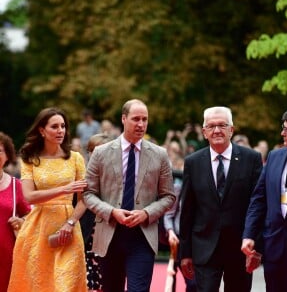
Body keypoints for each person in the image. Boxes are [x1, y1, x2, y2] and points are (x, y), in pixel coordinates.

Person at [83, 99, 176, 292]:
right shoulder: (101, 153)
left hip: (143, 236)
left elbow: (168, 196)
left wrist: (146, 213)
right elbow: (88, 193)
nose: (141, 124)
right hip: (109, 234)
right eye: (136, 119)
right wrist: (111, 212)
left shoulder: (159, 155)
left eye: (145, 119)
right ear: (124, 119)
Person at [179, 106, 263, 292]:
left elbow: (257, 205)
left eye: (222, 125)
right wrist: (184, 254)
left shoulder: (252, 159)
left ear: (231, 130)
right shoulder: (193, 162)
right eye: (211, 126)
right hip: (204, 248)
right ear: (204, 132)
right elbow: (187, 210)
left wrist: (257, 246)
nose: (217, 130)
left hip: (240, 248)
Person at [8, 107, 88, 292]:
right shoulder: (29, 159)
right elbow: (29, 196)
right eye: (54, 126)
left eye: (63, 126)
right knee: (39, 283)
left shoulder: (75, 158)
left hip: (68, 228)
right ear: (42, 131)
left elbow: (84, 200)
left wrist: (71, 222)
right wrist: (65, 189)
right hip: (38, 227)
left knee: (65, 284)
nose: (60, 130)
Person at [241, 106, 287, 292]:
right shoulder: (275, 157)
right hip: (276, 247)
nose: (282, 133)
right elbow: (259, 199)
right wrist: (249, 234)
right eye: (282, 128)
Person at [82, 133, 114, 292]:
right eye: (92, 151)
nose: (96, 155)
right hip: (85, 239)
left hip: (111, 240)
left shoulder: (119, 180)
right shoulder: (80, 178)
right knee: (87, 284)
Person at [0, 132, 31, 292]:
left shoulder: (15, 185)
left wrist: (22, 222)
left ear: (7, 155)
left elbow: (30, 216)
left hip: (8, 256)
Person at [163, 169, 197, 292]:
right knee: (190, 282)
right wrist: (170, 232)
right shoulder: (179, 189)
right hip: (181, 241)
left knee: (198, 284)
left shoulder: (209, 190)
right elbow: (168, 215)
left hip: (201, 242)